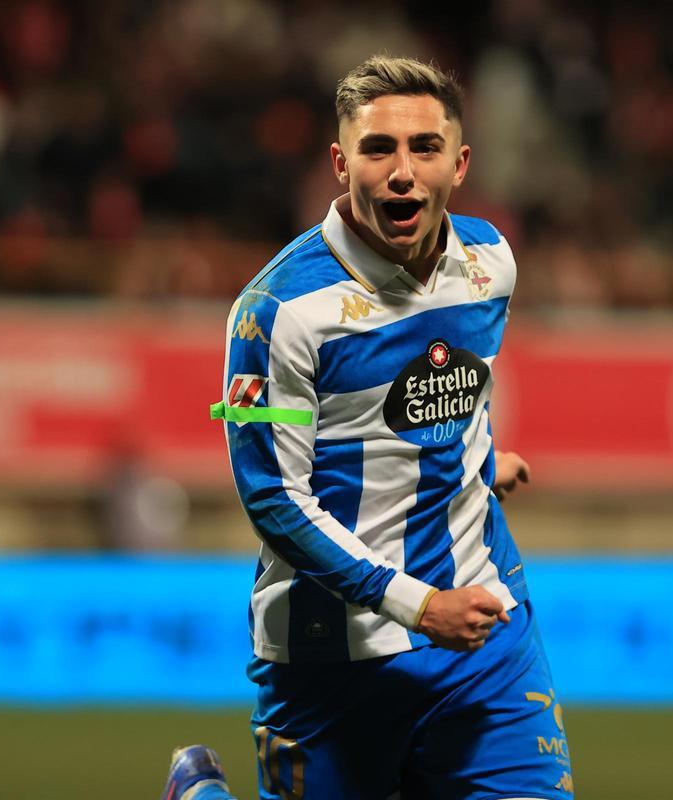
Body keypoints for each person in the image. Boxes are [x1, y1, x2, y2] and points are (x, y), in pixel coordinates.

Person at [205, 54, 572, 799]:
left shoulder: (489, 264)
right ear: (341, 165)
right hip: (331, 655)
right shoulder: (275, 312)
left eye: (424, 148)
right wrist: (419, 606)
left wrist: (477, 462)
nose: (403, 172)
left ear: (459, 164)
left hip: (483, 631)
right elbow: (274, 499)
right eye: (378, 150)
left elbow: (447, 397)